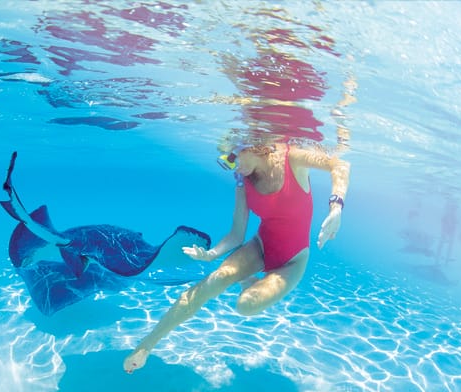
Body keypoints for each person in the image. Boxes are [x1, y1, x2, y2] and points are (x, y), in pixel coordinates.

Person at [123, 141, 349, 373]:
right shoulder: (244, 184)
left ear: (252, 146)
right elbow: (236, 235)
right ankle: (146, 346)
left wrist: (336, 208)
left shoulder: (291, 159)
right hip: (259, 246)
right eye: (226, 161)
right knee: (210, 283)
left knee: (246, 305)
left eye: (232, 158)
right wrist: (211, 255)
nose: (232, 167)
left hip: (292, 261)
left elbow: (339, 164)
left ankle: (248, 283)